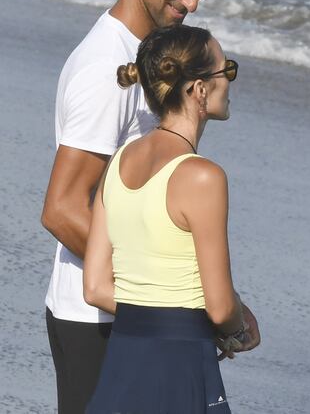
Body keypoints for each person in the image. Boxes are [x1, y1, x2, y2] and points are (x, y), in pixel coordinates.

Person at [41, 0, 230, 414]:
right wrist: (163, 305)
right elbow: (61, 208)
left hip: (125, 318)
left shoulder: (147, 61)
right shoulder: (109, 71)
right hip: (96, 321)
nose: (191, 4)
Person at [83, 24, 260, 414]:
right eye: (226, 71)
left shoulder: (118, 163)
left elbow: (95, 286)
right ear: (198, 89)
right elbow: (219, 307)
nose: (229, 82)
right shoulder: (202, 176)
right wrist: (238, 329)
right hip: (179, 364)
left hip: (123, 360)